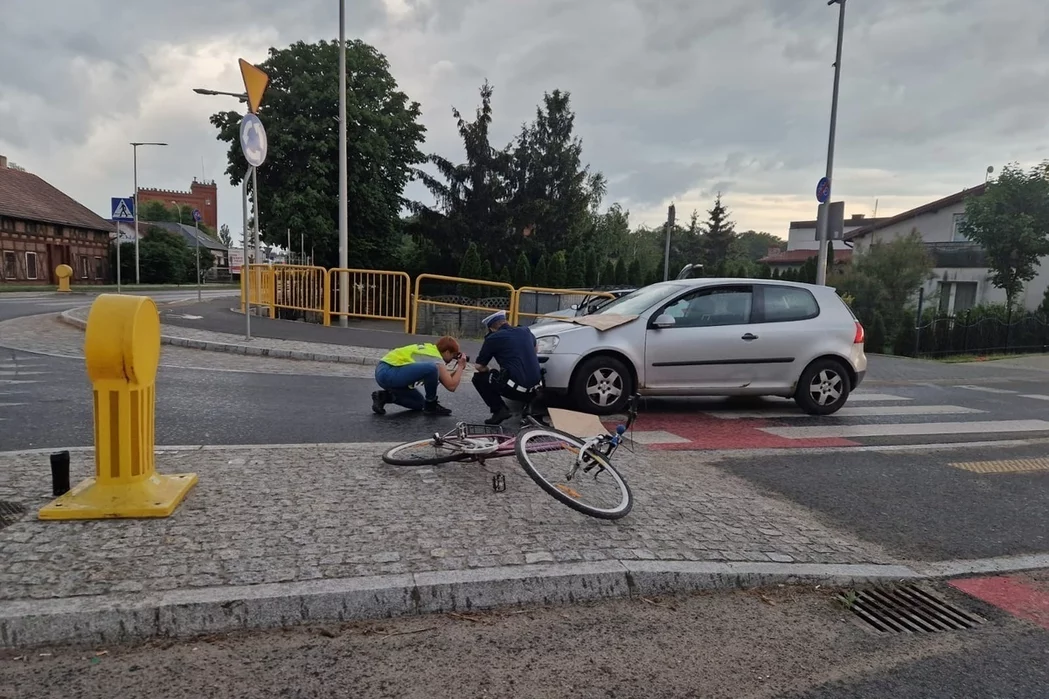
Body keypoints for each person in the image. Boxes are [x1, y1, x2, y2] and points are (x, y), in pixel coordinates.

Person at [472, 310, 543, 425]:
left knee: (479, 378)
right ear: (505, 321)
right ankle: (528, 406)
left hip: (515, 390)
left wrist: (490, 371)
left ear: (491, 328)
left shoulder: (493, 338)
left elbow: (479, 367)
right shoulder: (525, 331)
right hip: (536, 390)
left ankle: (499, 410)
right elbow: (535, 351)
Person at [372, 336, 466, 416]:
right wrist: (461, 366)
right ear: (447, 352)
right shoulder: (435, 358)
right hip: (389, 371)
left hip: (384, 371)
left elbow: (444, 378)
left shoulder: (431, 351)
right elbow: (451, 386)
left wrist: (458, 369)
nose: (452, 359)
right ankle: (431, 405)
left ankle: (383, 396)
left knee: (419, 403)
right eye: (453, 356)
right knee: (432, 368)